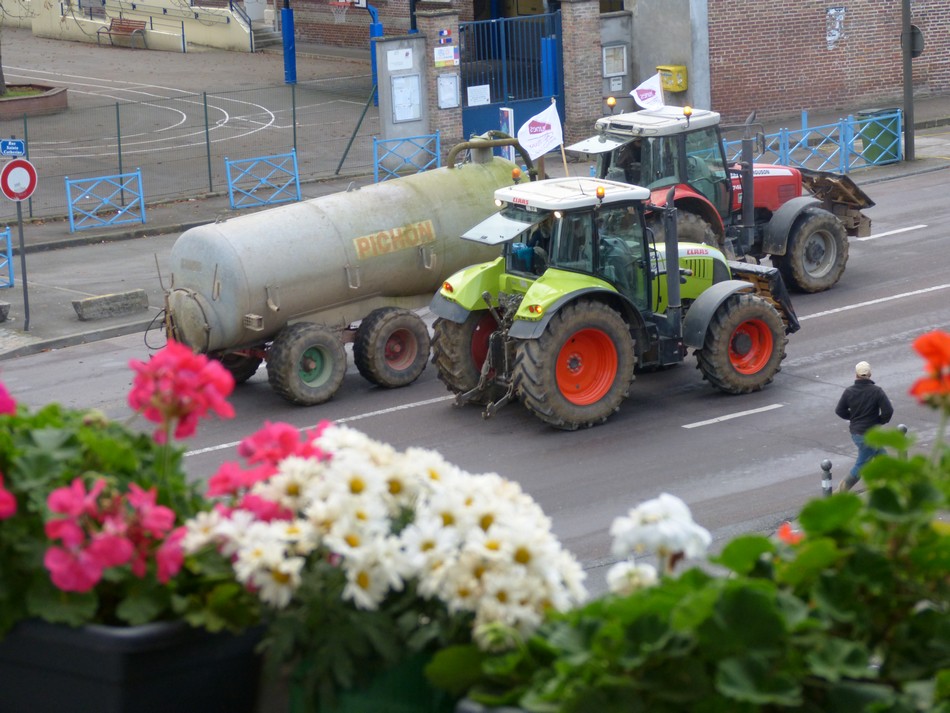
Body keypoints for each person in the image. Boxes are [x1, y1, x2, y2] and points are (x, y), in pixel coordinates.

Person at [834, 361, 894, 492]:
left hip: (857, 433)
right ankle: (839, 493)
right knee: (861, 466)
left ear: (856, 375)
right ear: (870, 374)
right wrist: (879, 421)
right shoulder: (877, 391)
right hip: (871, 435)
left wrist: (853, 418)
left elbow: (839, 410)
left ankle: (890, 484)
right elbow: (888, 411)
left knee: (882, 457)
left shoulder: (849, 391)